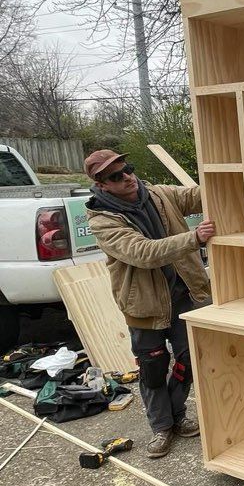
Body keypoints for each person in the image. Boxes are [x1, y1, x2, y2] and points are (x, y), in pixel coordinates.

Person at [84, 149, 216, 457]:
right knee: (153, 369)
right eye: (116, 176)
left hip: (185, 296)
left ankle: (176, 415)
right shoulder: (103, 221)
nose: (127, 177)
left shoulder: (158, 195)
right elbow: (142, 252)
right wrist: (193, 238)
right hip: (144, 306)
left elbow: (196, 195)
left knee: (189, 360)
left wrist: (227, 174)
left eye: (127, 168)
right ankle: (161, 427)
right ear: (102, 185)